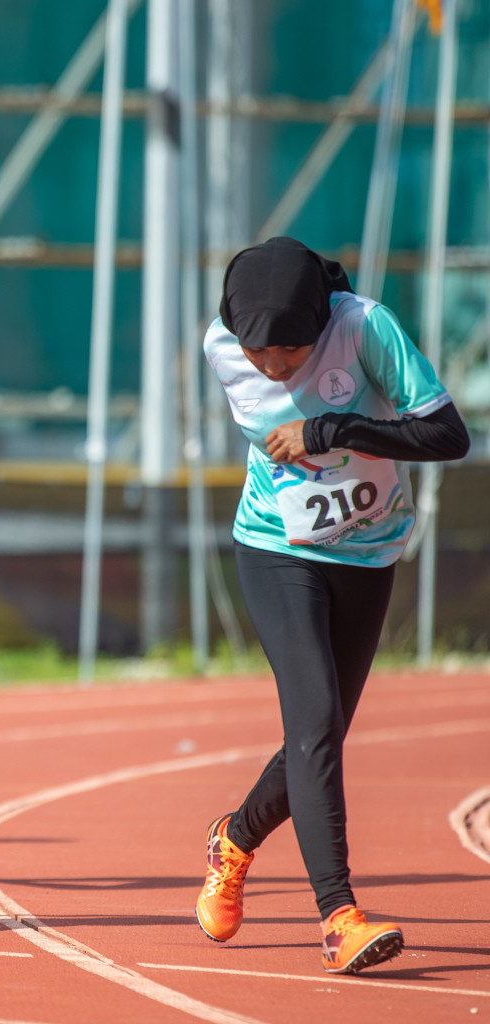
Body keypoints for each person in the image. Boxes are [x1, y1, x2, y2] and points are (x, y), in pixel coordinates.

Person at [195, 236, 470, 974]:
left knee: (320, 738)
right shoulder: (222, 348)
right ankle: (337, 916)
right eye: (261, 353)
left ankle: (235, 839)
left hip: (369, 552)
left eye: (291, 350)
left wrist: (333, 428)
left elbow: (448, 436)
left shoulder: (363, 328)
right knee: (313, 719)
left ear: (319, 325)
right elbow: (267, 410)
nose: (275, 365)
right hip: (276, 550)